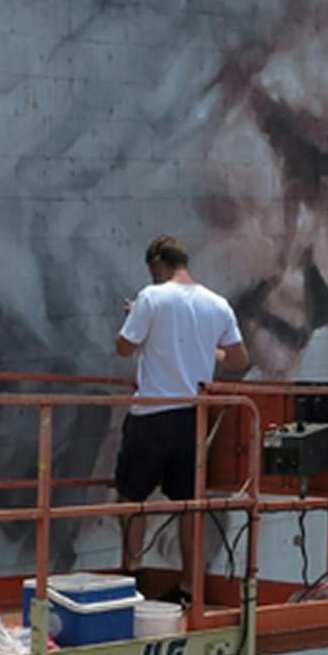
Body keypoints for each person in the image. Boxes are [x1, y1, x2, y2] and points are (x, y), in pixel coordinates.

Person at [114, 235, 249, 573]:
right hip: (192, 418)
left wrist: (135, 317)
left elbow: (124, 347)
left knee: (132, 499)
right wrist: (206, 349)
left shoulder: (151, 297)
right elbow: (238, 360)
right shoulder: (217, 304)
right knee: (188, 504)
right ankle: (190, 584)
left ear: (158, 265)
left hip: (151, 415)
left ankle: (132, 573)